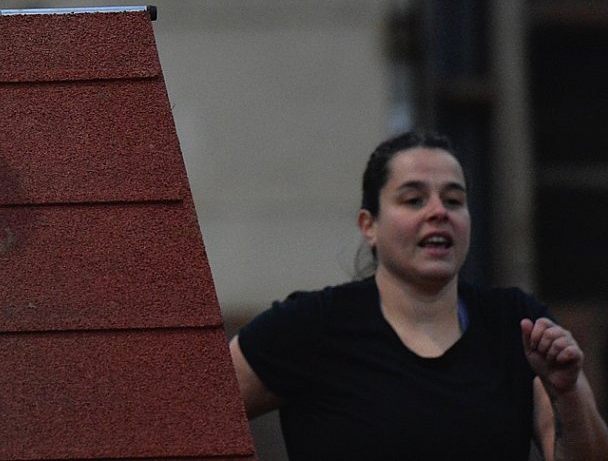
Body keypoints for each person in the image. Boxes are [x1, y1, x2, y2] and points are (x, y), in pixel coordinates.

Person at [229, 130, 608, 461]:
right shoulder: (310, 326)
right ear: (369, 225)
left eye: (454, 200)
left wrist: (567, 392)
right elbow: (197, 411)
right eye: (414, 200)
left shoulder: (517, 323)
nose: (439, 212)